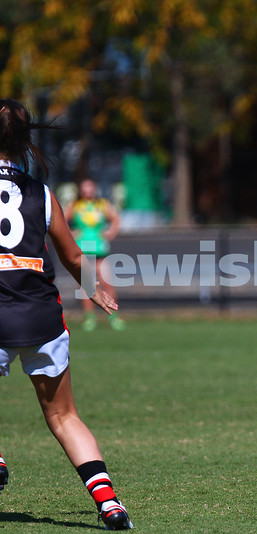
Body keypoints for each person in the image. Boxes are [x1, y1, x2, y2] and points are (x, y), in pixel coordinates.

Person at [0, 99, 132, 530]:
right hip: (41, 315)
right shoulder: (42, 192)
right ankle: (111, 504)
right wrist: (95, 291)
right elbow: (73, 255)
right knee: (63, 416)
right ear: (24, 140)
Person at [65, 177, 125, 332]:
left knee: (108, 282)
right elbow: (61, 221)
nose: (88, 190)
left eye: (90, 187)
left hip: (100, 249)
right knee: (86, 285)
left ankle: (113, 316)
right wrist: (71, 233)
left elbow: (116, 220)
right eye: (85, 187)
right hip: (83, 250)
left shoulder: (102, 205)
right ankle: (89, 318)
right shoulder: (76, 206)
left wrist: (110, 233)